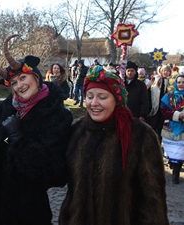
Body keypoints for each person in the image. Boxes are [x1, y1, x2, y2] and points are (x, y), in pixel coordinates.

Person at [0, 34, 73, 225]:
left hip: (26, 208)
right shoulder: (7, 106)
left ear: (36, 77)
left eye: (23, 78)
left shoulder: (57, 115)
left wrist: (18, 138)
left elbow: (53, 173)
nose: (19, 86)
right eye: (14, 83)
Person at [59, 65, 169, 225]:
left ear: (117, 100)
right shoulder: (77, 131)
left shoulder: (140, 135)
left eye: (102, 97)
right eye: (89, 96)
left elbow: (152, 198)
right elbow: (59, 177)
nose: (94, 103)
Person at [160, 74, 184, 184]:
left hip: (182, 128)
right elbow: (163, 110)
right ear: (175, 83)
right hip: (170, 126)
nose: (181, 84)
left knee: (181, 152)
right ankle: (172, 164)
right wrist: (176, 115)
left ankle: (176, 172)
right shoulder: (169, 96)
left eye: (183, 82)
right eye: (179, 82)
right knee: (172, 151)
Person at [146, 65, 171, 141]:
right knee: (152, 126)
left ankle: (159, 144)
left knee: (160, 128)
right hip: (154, 108)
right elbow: (147, 90)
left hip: (164, 108)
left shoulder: (170, 83)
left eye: (167, 70)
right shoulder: (155, 80)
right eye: (163, 70)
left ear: (169, 72)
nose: (165, 72)